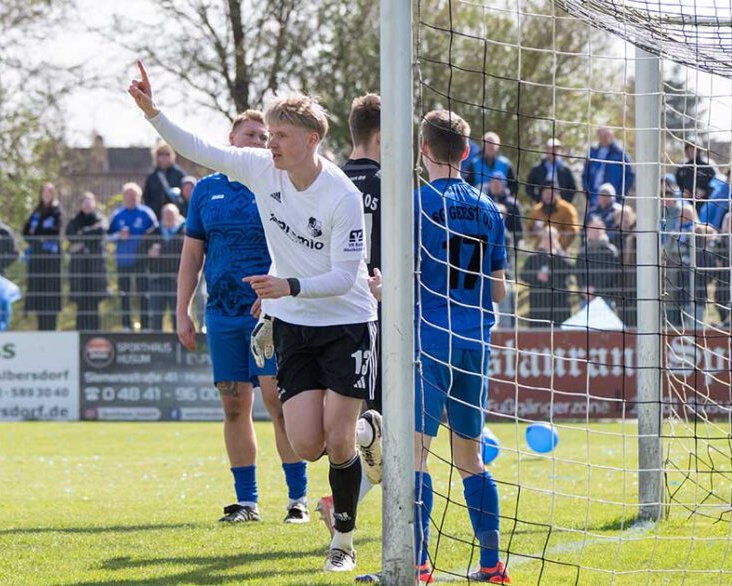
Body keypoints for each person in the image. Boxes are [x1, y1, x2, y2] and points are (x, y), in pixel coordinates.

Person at [130, 61, 377, 572]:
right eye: (270, 134)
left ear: (312, 139)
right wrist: (155, 113)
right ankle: (370, 436)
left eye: (282, 135)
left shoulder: (342, 195)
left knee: (336, 438)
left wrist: (288, 285)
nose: (272, 144)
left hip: (347, 322)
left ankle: (343, 544)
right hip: (292, 324)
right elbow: (201, 148)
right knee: (307, 443)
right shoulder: (263, 169)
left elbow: (343, 275)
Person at [357, 109, 512, 584]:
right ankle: (492, 564)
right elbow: (500, 290)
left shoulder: (414, 204)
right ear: (467, 152)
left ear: (422, 149)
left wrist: (384, 294)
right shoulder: (489, 209)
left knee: (415, 453)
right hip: (475, 341)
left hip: (428, 338)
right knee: (471, 459)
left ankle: (418, 564)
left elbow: (402, 281)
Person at [175, 110, 309, 524]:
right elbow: (192, 254)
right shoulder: (205, 190)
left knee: (278, 402)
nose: (258, 140)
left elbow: (298, 245)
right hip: (221, 313)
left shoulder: (279, 183)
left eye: (265, 135)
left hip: (269, 313)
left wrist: (275, 286)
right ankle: (247, 501)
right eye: (250, 133)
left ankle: (297, 500)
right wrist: (182, 309)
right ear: (230, 138)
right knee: (234, 405)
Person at [316, 93, 385, 534]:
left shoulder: (329, 181)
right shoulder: (394, 186)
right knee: (390, 426)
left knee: (359, 424)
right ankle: (344, 503)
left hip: (325, 315)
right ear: (382, 135)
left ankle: (342, 501)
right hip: (377, 312)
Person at [108, 183, 158, 330]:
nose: (132, 198)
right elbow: (107, 235)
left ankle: (145, 326)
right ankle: (126, 326)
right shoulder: (117, 215)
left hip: (141, 260)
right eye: (129, 196)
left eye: (135, 196)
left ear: (139, 197)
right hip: (123, 261)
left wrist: (153, 247)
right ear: (124, 197)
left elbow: (157, 232)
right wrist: (118, 235)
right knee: (124, 294)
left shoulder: (146, 213)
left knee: (143, 293)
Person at [22, 183, 63, 331]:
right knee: (39, 296)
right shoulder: (36, 212)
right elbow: (26, 232)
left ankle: (52, 328)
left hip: (51, 262)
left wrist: (38, 234)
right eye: (44, 192)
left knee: (50, 297)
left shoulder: (56, 211)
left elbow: (55, 232)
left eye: (50, 192)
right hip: (36, 260)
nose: (46, 194)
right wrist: (40, 235)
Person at [66, 192, 108, 332]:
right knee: (81, 306)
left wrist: (82, 235)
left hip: (95, 270)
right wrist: (90, 233)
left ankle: (95, 333)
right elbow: (70, 235)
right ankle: (80, 333)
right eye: (84, 201)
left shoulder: (100, 218)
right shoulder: (74, 220)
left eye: (90, 201)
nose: (87, 204)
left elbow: (101, 230)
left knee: (94, 305)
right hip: (79, 270)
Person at [139, 203, 185, 331]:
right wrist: (148, 253)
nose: (168, 217)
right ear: (161, 216)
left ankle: (179, 345)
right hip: (157, 279)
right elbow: (140, 252)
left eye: (171, 214)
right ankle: (158, 344)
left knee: (177, 314)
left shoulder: (184, 232)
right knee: (157, 314)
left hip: (177, 280)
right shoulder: (152, 232)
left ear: (177, 216)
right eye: (166, 214)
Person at [520, 226, 575, 327]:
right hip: (539, 304)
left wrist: (557, 251)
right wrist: (537, 276)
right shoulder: (534, 257)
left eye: (551, 237)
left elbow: (570, 270)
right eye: (546, 237)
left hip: (559, 304)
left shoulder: (564, 256)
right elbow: (523, 275)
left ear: (557, 238)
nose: (548, 240)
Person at [581, 126, 635, 207]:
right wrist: (587, 191)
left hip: (613, 197)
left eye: (607, 136)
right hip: (594, 196)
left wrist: (620, 194)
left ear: (612, 136)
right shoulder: (593, 151)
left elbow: (629, 175)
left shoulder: (620, 153)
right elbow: (585, 174)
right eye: (602, 136)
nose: (604, 138)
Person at [575, 217, 621, 309]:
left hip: (605, 298)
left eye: (598, 228)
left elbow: (611, 274)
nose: (595, 231)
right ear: (587, 231)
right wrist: (585, 289)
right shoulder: (583, 252)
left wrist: (595, 290)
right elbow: (578, 273)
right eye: (592, 229)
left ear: (603, 230)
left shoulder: (610, 251)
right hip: (586, 299)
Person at [526, 183, 580, 249]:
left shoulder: (568, 210)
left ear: (557, 194)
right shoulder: (536, 210)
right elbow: (529, 230)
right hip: (540, 251)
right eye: (546, 193)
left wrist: (556, 245)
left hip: (561, 251)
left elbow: (572, 231)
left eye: (551, 193)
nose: (548, 196)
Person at [525, 138, 577, 203]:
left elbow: (572, 188)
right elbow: (529, 187)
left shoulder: (566, 170)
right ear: (546, 150)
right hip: (543, 206)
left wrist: (566, 202)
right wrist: (538, 199)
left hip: (561, 206)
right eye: (551, 148)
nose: (553, 151)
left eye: (556, 148)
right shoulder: (537, 169)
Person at [143, 142, 187, 218]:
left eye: (167, 154)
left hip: (176, 217)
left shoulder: (179, 174)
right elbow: (146, 197)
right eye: (161, 154)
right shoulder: (152, 176)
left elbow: (186, 194)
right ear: (156, 156)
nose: (164, 157)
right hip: (157, 217)